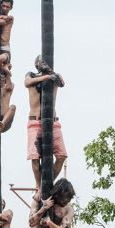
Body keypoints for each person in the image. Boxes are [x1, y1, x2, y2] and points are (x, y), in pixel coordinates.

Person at [24, 57, 68, 185]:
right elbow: (27, 82)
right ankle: (39, 187)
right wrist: (46, 78)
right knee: (35, 159)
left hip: (53, 123)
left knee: (62, 156)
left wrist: (50, 73)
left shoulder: (55, 76)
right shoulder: (31, 75)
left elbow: (62, 83)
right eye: (40, 62)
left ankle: (46, 185)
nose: (43, 64)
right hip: (35, 122)